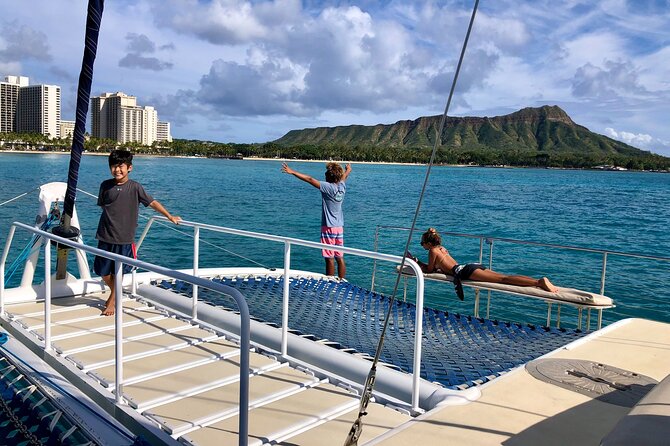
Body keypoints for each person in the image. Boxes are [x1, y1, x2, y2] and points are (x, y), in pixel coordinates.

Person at [94, 149, 182, 316]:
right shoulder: (105, 185)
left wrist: (169, 216)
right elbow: (104, 206)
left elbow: (152, 202)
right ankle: (116, 293)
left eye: (120, 166)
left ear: (129, 168)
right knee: (103, 273)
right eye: (113, 166)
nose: (117, 170)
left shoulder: (135, 187)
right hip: (105, 236)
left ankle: (112, 301)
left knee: (118, 273)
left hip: (124, 239)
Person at [409, 227, 558, 300]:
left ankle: (539, 282)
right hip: (469, 266)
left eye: (422, 243)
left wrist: (415, 261)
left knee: (503, 280)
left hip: (464, 272)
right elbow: (440, 266)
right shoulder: (441, 248)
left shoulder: (432, 251)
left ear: (429, 243)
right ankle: (537, 281)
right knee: (504, 277)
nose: (422, 245)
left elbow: (428, 270)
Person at [281, 161, 352, 278]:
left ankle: (330, 283)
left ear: (328, 177)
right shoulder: (341, 187)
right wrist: (348, 170)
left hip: (329, 227)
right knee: (339, 256)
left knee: (329, 257)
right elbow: (344, 177)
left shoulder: (328, 187)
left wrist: (292, 171)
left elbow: (310, 179)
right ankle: (341, 281)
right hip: (339, 227)